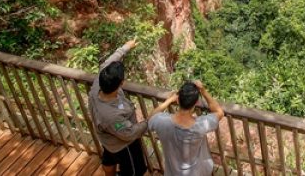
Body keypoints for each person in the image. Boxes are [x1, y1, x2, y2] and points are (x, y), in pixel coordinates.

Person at [89, 39, 178, 176]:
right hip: (123, 145)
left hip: (107, 138)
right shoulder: (112, 116)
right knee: (135, 171)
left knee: (109, 158)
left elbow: (107, 63)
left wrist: (125, 47)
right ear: (121, 83)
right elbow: (130, 133)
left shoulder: (98, 85)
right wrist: (165, 104)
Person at [149, 80, 225, 176]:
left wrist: (168, 100)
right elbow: (219, 112)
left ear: (178, 100)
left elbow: (151, 117)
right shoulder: (200, 125)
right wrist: (203, 91)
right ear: (196, 102)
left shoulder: (162, 121)